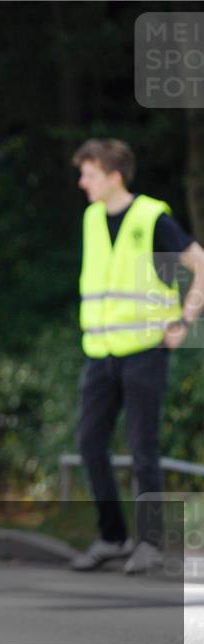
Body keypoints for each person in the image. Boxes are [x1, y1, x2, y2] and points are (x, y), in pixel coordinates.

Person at [69, 138, 204, 574]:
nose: (82, 182)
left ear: (114, 177)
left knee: (143, 446)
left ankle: (150, 543)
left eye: (89, 174)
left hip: (146, 349)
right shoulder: (92, 218)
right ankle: (113, 538)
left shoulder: (151, 217)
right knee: (90, 443)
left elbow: (199, 263)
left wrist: (185, 321)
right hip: (100, 351)